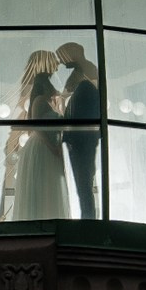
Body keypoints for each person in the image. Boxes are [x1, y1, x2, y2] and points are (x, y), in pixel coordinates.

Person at [0, 49, 69, 220]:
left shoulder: (50, 103)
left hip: (51, 147)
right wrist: (53, 148)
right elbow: (37, 127)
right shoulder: (39, 101)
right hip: (43, 146)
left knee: (50, 186)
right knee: (42, 184)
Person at [56, 42, 103, 219]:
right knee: (83, 180)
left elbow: (68, 93)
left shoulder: (87, 73)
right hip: (80, 137)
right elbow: (65, 92)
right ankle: (87, 215)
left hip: (83, 138)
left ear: (74, 53)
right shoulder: (81, 73)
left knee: (83, 179)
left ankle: (88, 216)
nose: (61, 62)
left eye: (63, 57)